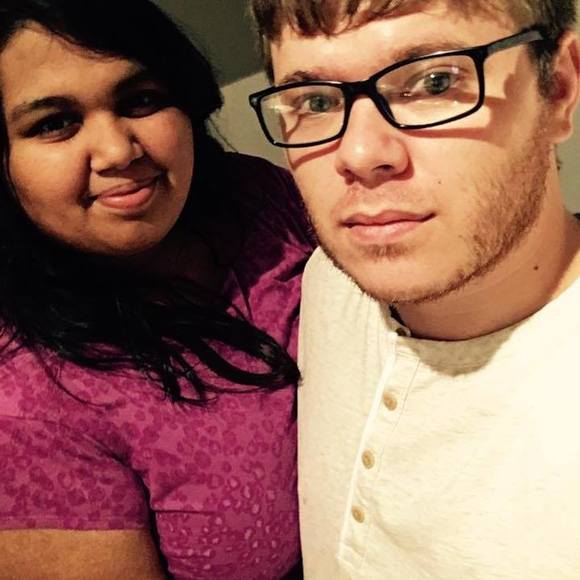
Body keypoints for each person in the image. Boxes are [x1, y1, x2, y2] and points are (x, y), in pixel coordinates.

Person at [249, 0, 580, 578]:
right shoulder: (328, 283)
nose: (360, 155)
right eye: (316, 101)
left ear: (558, 88)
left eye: (434, 81)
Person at [0, 0, 313, 578]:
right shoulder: (25, 406)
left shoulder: (258, 199)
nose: (119, 151)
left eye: (140, 100)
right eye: (53, 123)